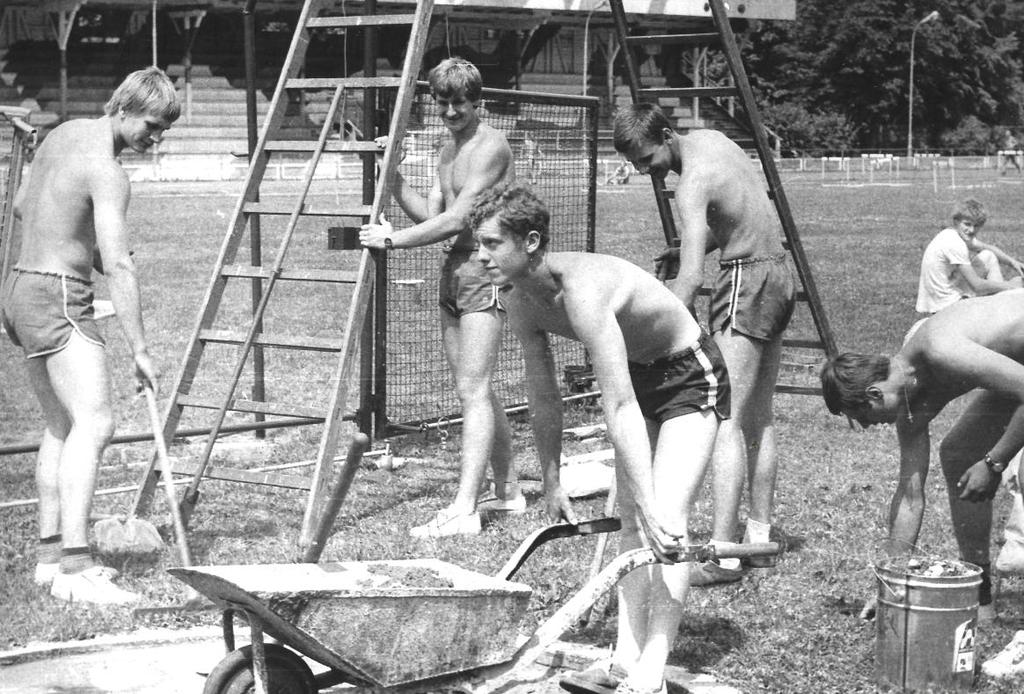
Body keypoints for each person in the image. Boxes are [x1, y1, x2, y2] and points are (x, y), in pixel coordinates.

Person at [468, 183, 730, 694]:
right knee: (632, 525)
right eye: (479, 244)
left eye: (491, 243)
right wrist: (551, 478)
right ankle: (623, 659)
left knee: (667, 520)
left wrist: (650, 500)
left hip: (688, 376)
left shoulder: (584, 290)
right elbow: (545, 396)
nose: (480, 256)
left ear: (531, 241)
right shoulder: (521, 301)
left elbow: (619, 405)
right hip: (638, 377)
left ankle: (652, 669)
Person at [0, 67, 179, 604]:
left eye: (164, 129)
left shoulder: (61, 134)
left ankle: (51, 559)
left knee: (61, 423)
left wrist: (84, 250)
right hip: (57, 294)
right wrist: (141, 351)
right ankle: (77, 570)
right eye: (152, 124)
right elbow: (120, 266)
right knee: (96, 421)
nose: (156, 137)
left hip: (19, 288)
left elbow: (21, 206)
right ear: (125, 109)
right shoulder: (109, 170)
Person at [612, 103, 796, 585]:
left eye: (647, 159)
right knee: (759, 415)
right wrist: (696, 246)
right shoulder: (714, 140)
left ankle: (724, 557)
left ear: (667, 136)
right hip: (778, 273)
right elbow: (739, 214)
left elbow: (691, 279)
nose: (644, 171)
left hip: (747, 282)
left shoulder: (689, 183)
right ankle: (755, 538)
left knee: (725, 419)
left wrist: (656, 339)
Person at [359, 57, 523, 537]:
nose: (451, 111)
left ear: (478, 102)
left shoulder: (491, 146)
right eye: (443, 103)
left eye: (460, 103)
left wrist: (390, 242)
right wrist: (393, 179)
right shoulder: (445, 147)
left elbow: (460, 220)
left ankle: (465, 509)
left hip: (484, 268)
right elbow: (429, 215)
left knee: (473, 390)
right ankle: (509, 490)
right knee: (474, 388)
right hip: (454, 269)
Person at [819, 289, 1024, 625]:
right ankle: (981, 593)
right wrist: (890, 583)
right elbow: (911, 497)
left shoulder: (939, 350)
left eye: (863, 418)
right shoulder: (908, 401)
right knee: (959, 454)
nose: (867, 427)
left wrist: (995, 462)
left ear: (873, 394)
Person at [915, 198, 1023, 317]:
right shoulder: (955, 244)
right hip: (945, 304)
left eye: (976, 226)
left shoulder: (951, 233)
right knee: (1010, 289)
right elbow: (977, 286)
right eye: (967, 224)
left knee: (988, 256)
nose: (971, 230)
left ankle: (1000, 302)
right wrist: (1010, 286)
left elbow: (986, 247)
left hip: (937, 297)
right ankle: (1001, 308)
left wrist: (1013, 262)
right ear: (956, 221)